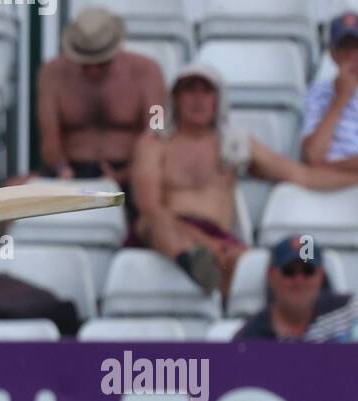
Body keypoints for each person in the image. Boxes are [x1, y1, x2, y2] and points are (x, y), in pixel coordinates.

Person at [132, 65, 358, 295]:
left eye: (206, 92)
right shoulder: (154, 143)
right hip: (171, 233)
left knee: (269, 265)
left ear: (217, 100)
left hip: (219, 239)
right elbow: (149, 207)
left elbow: (303, 176)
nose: (198, 100)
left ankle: (211, 281)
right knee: (150, 223)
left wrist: (353, 177)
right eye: (190, 91)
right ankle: (192, 263)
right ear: (175, 99)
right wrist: (207, 244)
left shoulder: (234, 144)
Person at [36, 7, 166, 189]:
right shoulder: (53, 73)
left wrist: (129, 173)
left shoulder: (147, 72)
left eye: (102, 62)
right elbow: (49, 138)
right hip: (71, 172)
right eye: (85, 63)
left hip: (132, 172)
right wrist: (61, 168)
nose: (93, 70)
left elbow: (156, 130)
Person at [235, 237, 358, 342]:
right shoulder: (249, 337)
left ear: (320, 275)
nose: (299, 281)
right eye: (289, 271)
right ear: (271, 276)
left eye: (308, 271)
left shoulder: (350, 311)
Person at [301, 12, 358, 172]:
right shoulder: (316, 92)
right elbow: (313, 155)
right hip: (330, 186)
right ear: (333, 54)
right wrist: (340, 99)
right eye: (345, 47)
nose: (353, 55)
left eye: (357, 46)